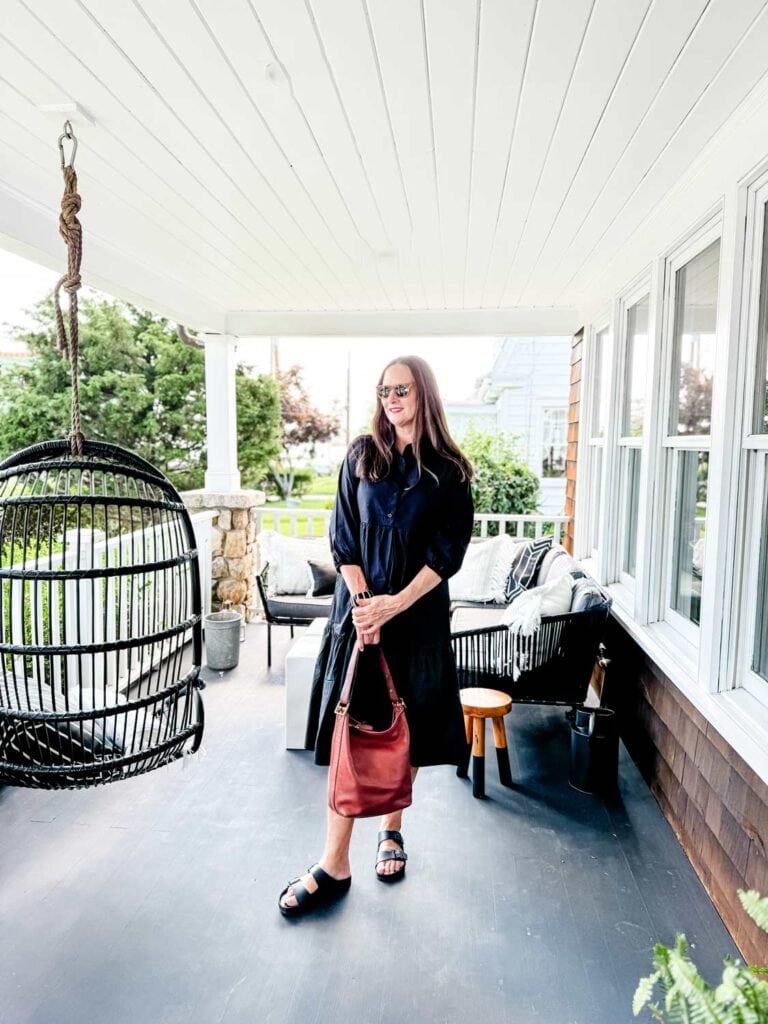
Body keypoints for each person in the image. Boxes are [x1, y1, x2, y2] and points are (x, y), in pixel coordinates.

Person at [278, 355, 474, 917]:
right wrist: (367, 605)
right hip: (361, 617)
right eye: (384, 389)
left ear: (424, 394)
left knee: (402, 728)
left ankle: (392, 827)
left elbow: (446, 556)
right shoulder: (362, 456)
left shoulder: (451, 472)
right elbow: (343, 537)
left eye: (402, 389)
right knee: (351, 732)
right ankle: (333, 862)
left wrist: (395, 604)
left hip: (416, 620)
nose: (391, 398)